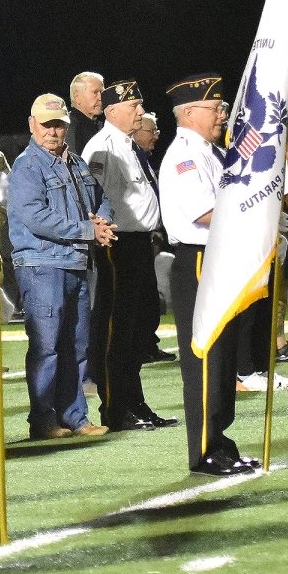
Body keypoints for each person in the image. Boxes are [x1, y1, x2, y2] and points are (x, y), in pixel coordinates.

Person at [158, 74, 260, 476]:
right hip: (199, 259)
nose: (222, 113)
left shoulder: (212, 153)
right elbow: (203, 211)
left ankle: (220, 441)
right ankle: (204, 449)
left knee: (224, 357)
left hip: (220, 257)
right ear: (188, 113)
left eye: (221, 106)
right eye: (214, 107)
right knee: (206, 358)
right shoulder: (185, 155)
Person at [8, 93, 114, 439]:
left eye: (58, 125)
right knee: (48, 345)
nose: (53, 132)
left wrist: (105, 221)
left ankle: (76, 417)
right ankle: (43, 418)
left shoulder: (76, 162)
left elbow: (101, 199)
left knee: (77, 344)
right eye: (46, 125)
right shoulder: (27, 165)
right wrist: (89, 230)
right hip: (41, 264)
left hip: (74, 263)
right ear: (32, 125)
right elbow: (35, 217)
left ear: (67, 126)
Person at [82, 80, 177, 431]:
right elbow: (97, 200)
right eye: (133, 105)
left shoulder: (127, 145)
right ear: (111, 111)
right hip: (118, 245)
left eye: (139, 104)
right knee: (118, 329)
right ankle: (116, 407)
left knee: (138, 328)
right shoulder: (103, 148)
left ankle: (135, 403)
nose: (140, 111)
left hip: (140, 244)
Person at [132, 112, 177, 364]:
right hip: (132, 237)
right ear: (137, 132)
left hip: (149, 237)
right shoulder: (126, 155)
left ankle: (148, 344)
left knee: (149, 296)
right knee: (138, 297)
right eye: (152, 131)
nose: (157, 137)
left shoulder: (144, 159)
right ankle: (141, 345)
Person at [68, 71, 105, 154]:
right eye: (95, 92)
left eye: (102, 92)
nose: (100, 97)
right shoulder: (69, 127)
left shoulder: (102, 123)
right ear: (77, 98)